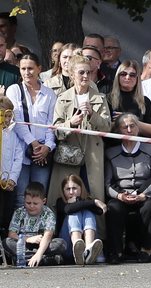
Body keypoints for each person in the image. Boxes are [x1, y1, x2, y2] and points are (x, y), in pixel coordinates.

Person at [103, 113, 151, 263]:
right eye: (124, 127)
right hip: (122, 194)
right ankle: (116, 252)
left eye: (132, 126)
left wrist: (143, 194)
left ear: (138, 129)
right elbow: (107, 182)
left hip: (147, 194)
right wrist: (119, 195)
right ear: (118, 131)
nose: (129, 130)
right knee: (113, 208)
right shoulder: (110, 153)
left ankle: (147, 249)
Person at [48, 57, 112, 205]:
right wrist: (71, 123)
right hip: (68, 154)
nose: (85, 76)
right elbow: (56, 130)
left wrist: (92, 115)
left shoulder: (100, 98)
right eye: (81, 72)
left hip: (93, 154)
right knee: (63, 196)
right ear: (72, 74)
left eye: (88, 72)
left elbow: (107, 127)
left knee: (93, 196)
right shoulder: (62, 98)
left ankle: (95, 221)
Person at [6, 52, 57, 189]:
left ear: (39, 69)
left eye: (30, 68)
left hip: (42, 154)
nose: (27, 72)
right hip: (19, 152)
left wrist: (47, 146)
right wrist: (34, 143)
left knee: (39, 194)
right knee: (20, 195)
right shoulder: (14, 90)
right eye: (23, 68)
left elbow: (51, 124)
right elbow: (16, 120)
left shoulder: (50, 94)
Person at [9, 183, 68, 267]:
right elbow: (12, 234)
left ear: (43, 201)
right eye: (28, 203)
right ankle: (45, 259)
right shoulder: (19, 212)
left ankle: (27, 259)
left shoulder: (48, 213)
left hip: (43, 244)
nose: (31, 206)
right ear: (24, 199)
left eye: (35, 203)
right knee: (7, 242)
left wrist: (39, 254)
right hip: (24, 243)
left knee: (61, 243)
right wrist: (28, 239)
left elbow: (48, 235)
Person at [54, 173, 104, 265]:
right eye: (68, 189)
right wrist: (94, 202)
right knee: (74, 212)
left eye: (74, 188)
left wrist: (79, 200)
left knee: (88, 212)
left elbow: (99, 211)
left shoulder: (87, 200)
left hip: (88, 242)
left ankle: (88, 250)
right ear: (63, 191)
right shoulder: (60, 202)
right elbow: (68, 209)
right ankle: (77, 249)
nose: (71, 192)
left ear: (81, 189)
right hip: (67, 247)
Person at [109, 61, 151, 137]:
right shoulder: (108, 99)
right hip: (114, 142)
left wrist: (131, 119)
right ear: (118, 76)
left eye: (132, 75)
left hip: (139, 142)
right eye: (123, 74)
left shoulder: (144, 101)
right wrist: (121, 121)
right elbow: (102, 127)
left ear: (137, 78)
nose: (127, 77)